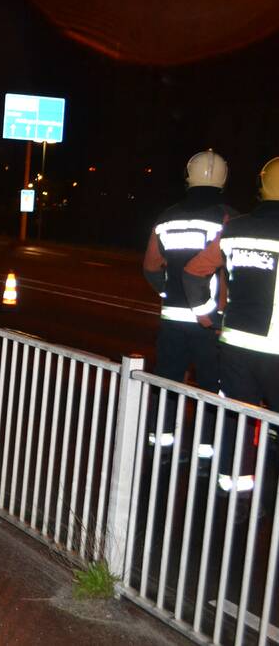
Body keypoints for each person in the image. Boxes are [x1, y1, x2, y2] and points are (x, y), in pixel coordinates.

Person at [185, 156, 279, 493]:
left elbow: (195, 270)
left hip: (235, 345)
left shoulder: (236, 228)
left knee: (237, 420)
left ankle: (233, 495)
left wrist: (205, 312)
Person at [142, 151, 233, 449]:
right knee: (211, 388)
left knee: (166, 383)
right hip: (210, 322)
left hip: (172, 320)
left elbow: (151, 267)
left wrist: (168, 293)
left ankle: (160, 444)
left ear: (188, 176)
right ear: (223, 179)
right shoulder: (228, 218)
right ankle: (206, 452)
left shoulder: (166, 217)